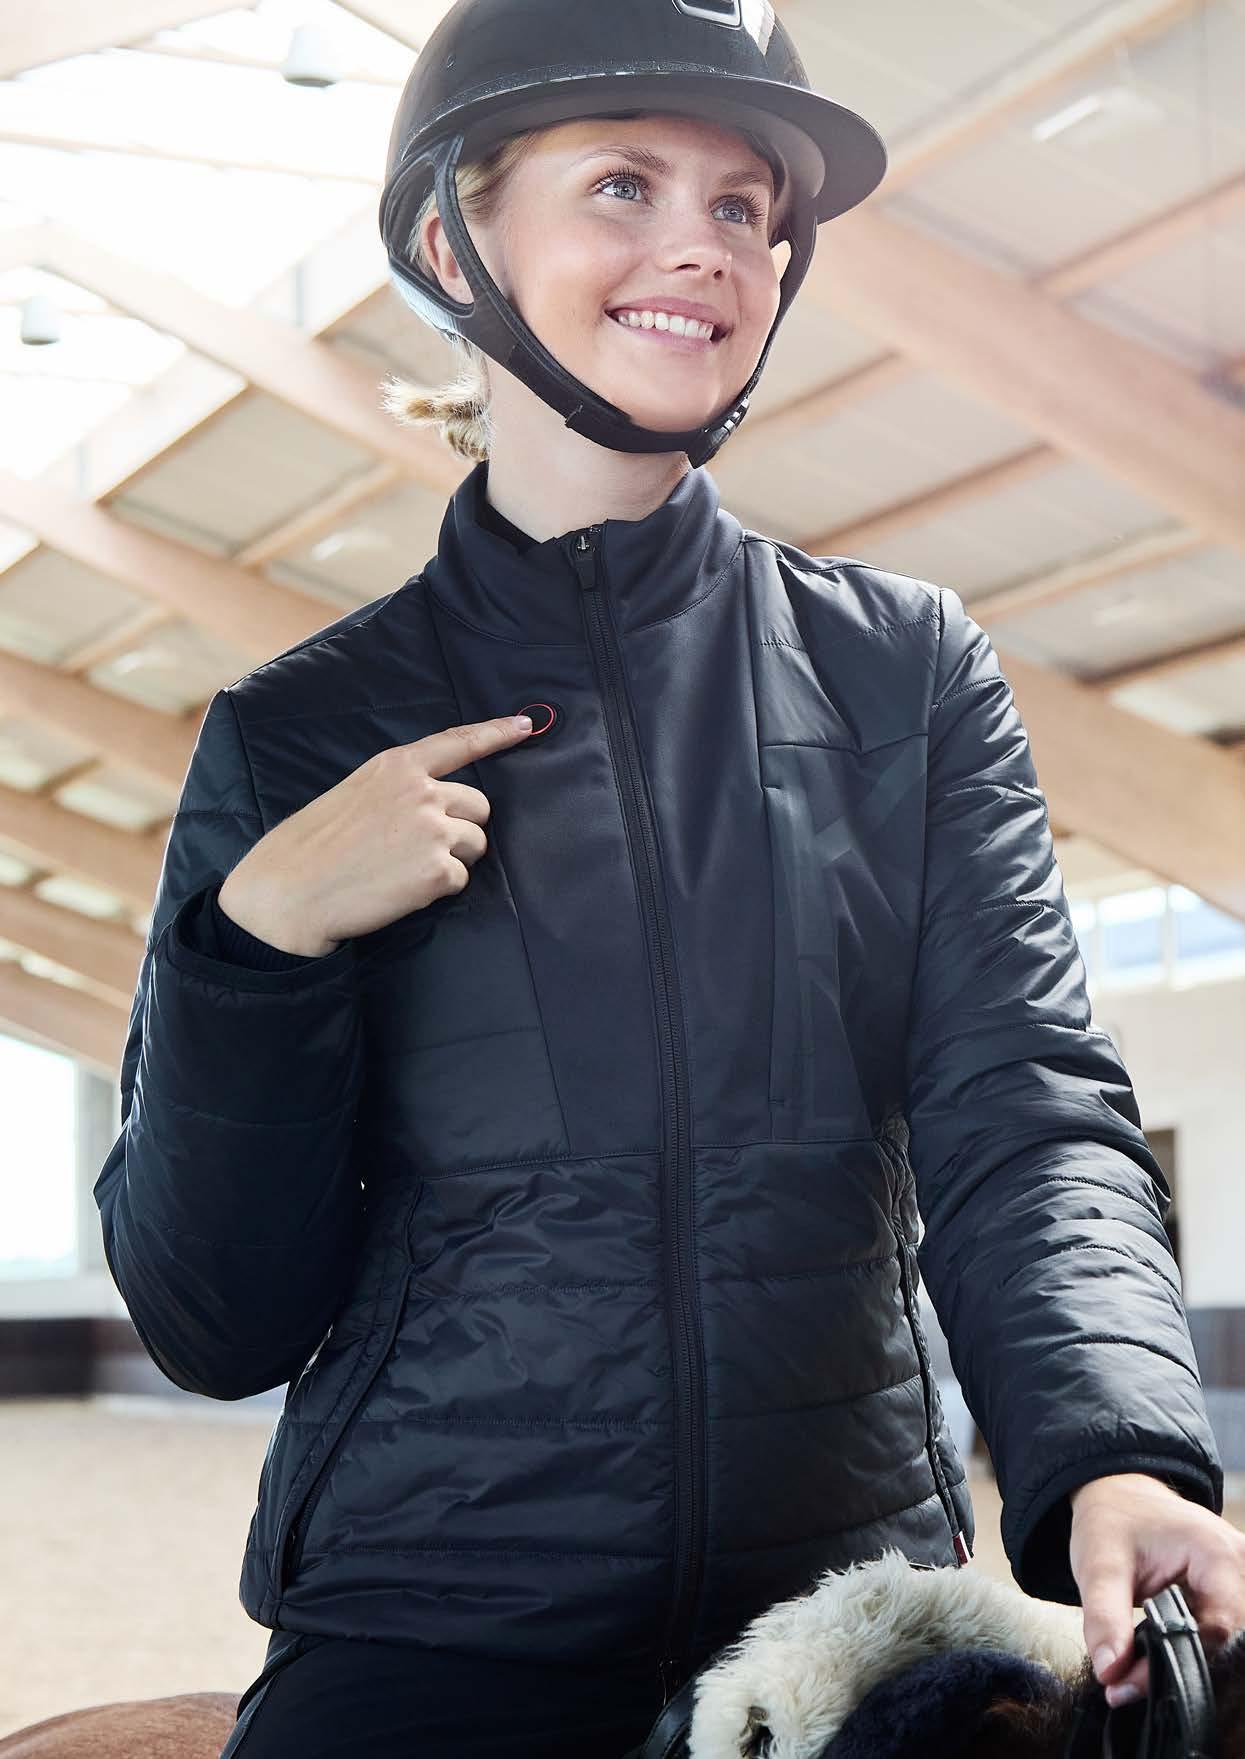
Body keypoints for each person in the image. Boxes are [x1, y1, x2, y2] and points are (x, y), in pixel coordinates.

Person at [92, 1, 1238, 1754]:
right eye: (623, 186)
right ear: (450, 243)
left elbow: (1021, 1111)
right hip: (432, 1616)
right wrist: (259, 946)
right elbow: (212, 1321)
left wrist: (1118, 1452)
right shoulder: (297, 731)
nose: (702, 247)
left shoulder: (907, 673)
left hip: (838, 1604)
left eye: (744, 207)